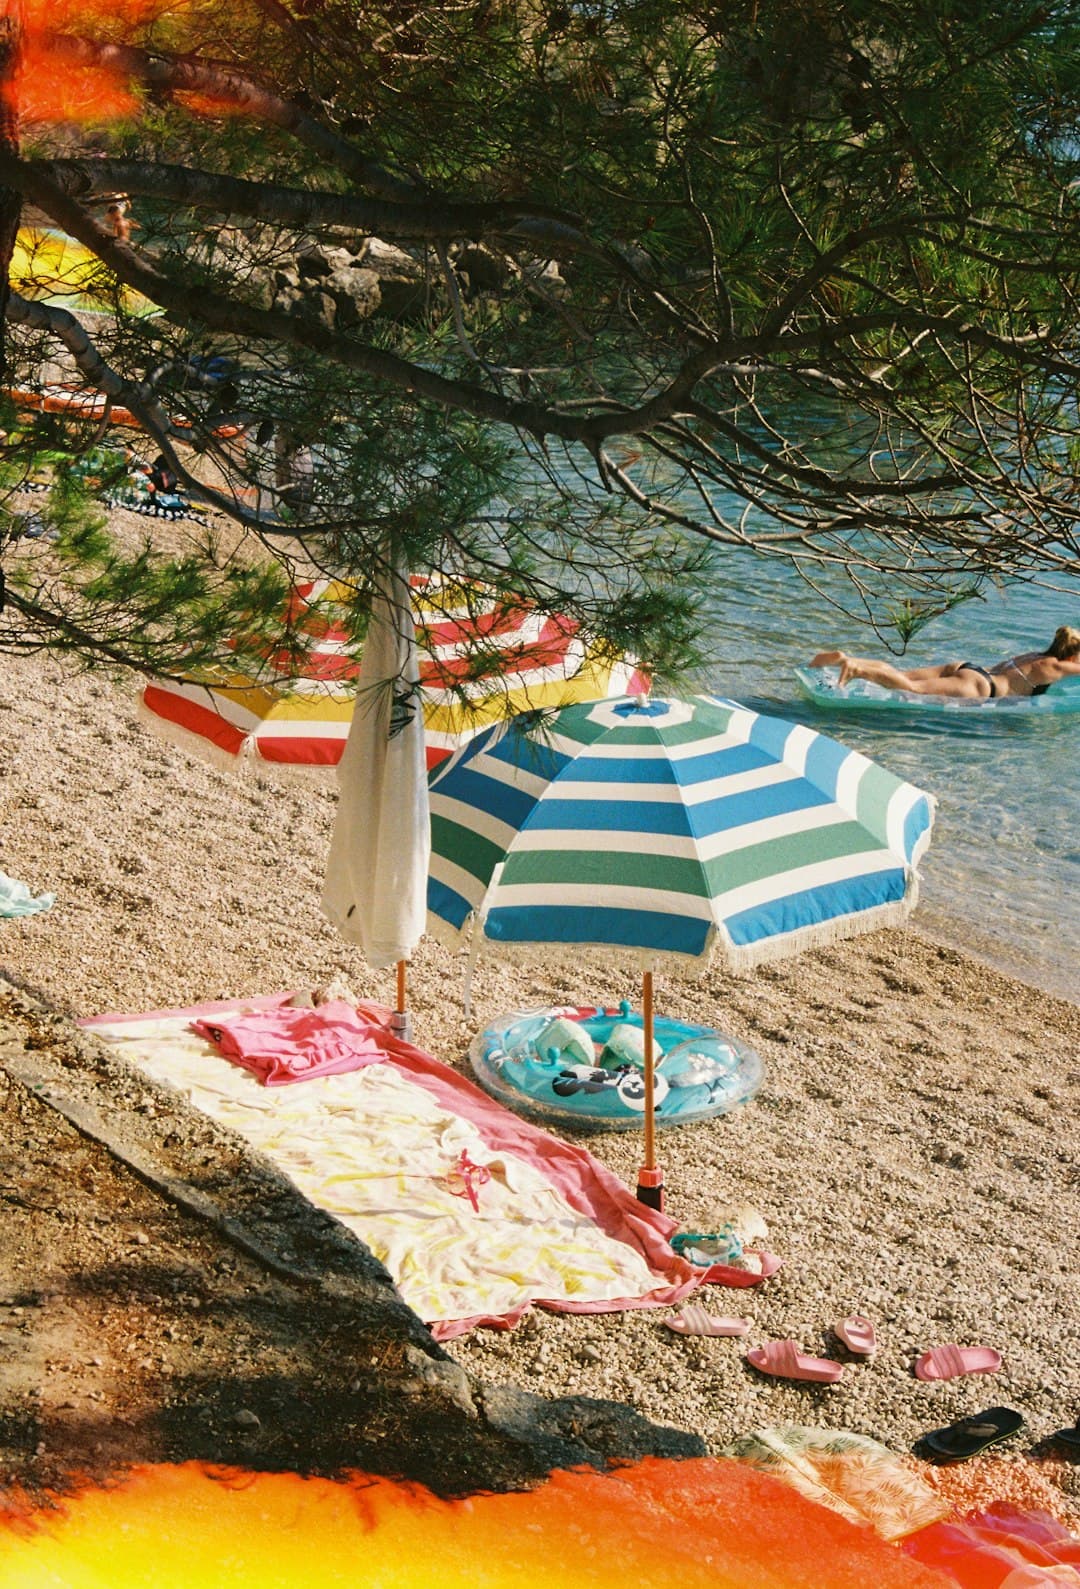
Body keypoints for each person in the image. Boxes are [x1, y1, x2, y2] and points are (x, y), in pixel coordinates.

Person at [811, 625, 1080, 700]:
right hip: (981, 687)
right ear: (1072, 655)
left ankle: (849, 659)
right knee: (910, 689)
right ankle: (856, 670)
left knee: (903, 675)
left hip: (967, 668)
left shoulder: (1035, 656)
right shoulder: (1056, 666)